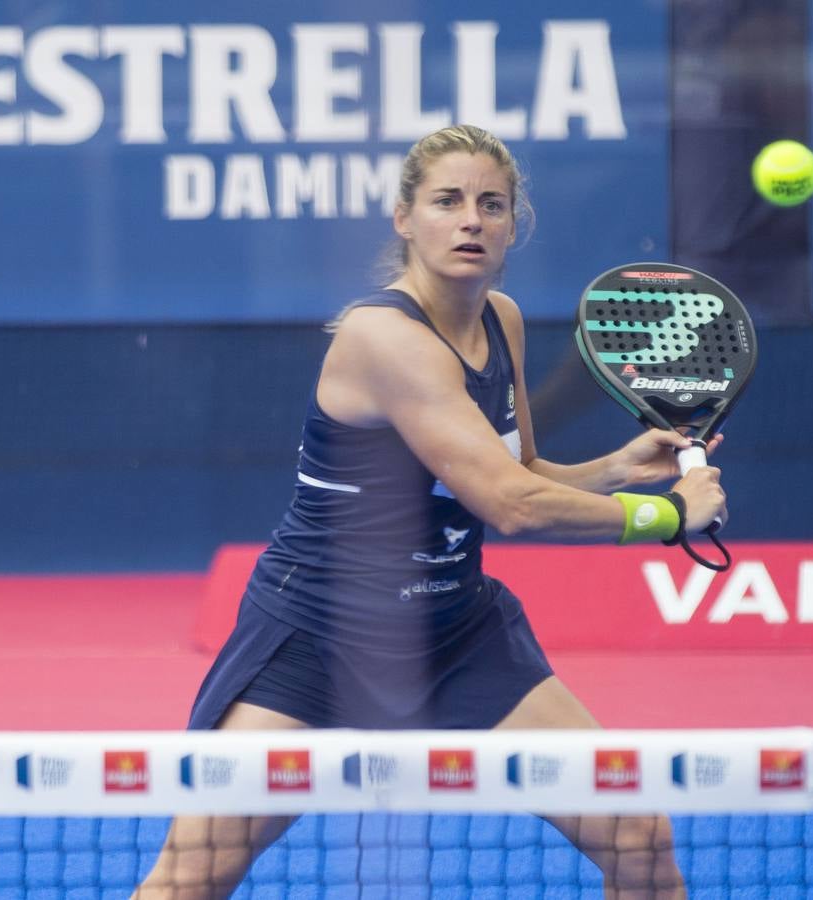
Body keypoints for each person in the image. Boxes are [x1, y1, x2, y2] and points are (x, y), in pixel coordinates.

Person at [134, 124, 726, 900]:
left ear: (514, 224)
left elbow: (511, 469)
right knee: (192, 876)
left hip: (455, 632)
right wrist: (663, 517)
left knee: (636, 836)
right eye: (446, 201)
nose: (470, 219)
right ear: (404, 218)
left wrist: (614, 470)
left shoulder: (499, 319)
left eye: (491, 204)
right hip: (317, 638)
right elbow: (508, 505)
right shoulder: (384, 338)